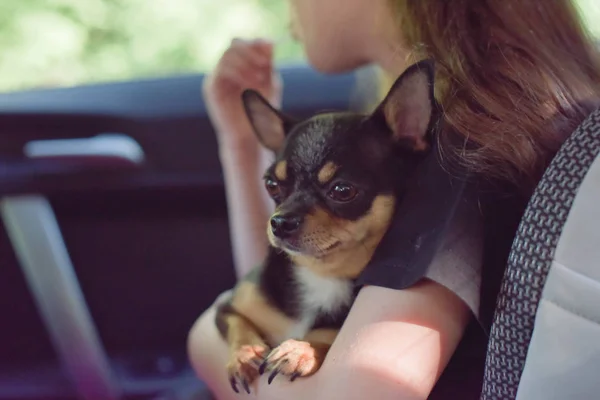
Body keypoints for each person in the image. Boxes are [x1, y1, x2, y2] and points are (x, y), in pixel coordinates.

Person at [188, 1, 600, 399]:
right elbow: (284, 298)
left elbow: (360, 392)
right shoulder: (513, 112)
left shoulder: (462, 153)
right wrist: (242, 145)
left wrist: (206, 336)